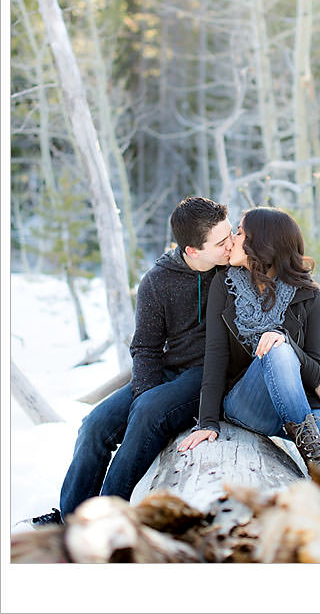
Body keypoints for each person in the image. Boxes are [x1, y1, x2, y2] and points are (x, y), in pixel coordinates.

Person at [30, 196, 233, 526]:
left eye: (232, 233)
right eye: (221, 241)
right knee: (94, 426)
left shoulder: (232, 270)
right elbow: (146, 348)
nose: (231, 244)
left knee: (150, 411)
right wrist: (145, 393)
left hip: (209, 374)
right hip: (169, 369)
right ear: (193, 250)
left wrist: (150, 406)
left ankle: (104, 522)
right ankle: (70, 520)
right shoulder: (158, 281)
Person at [176, 207, 320, 511]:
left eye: (240, 232)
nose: (232, 239)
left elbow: (316, 370)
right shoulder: (225, 286)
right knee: (277, 349)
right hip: (248, 402)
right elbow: (215, 357)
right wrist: (207, 422)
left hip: (301, 406)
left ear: (263, 245)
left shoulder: (309, 296)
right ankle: (314, 459)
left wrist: (285, 341)